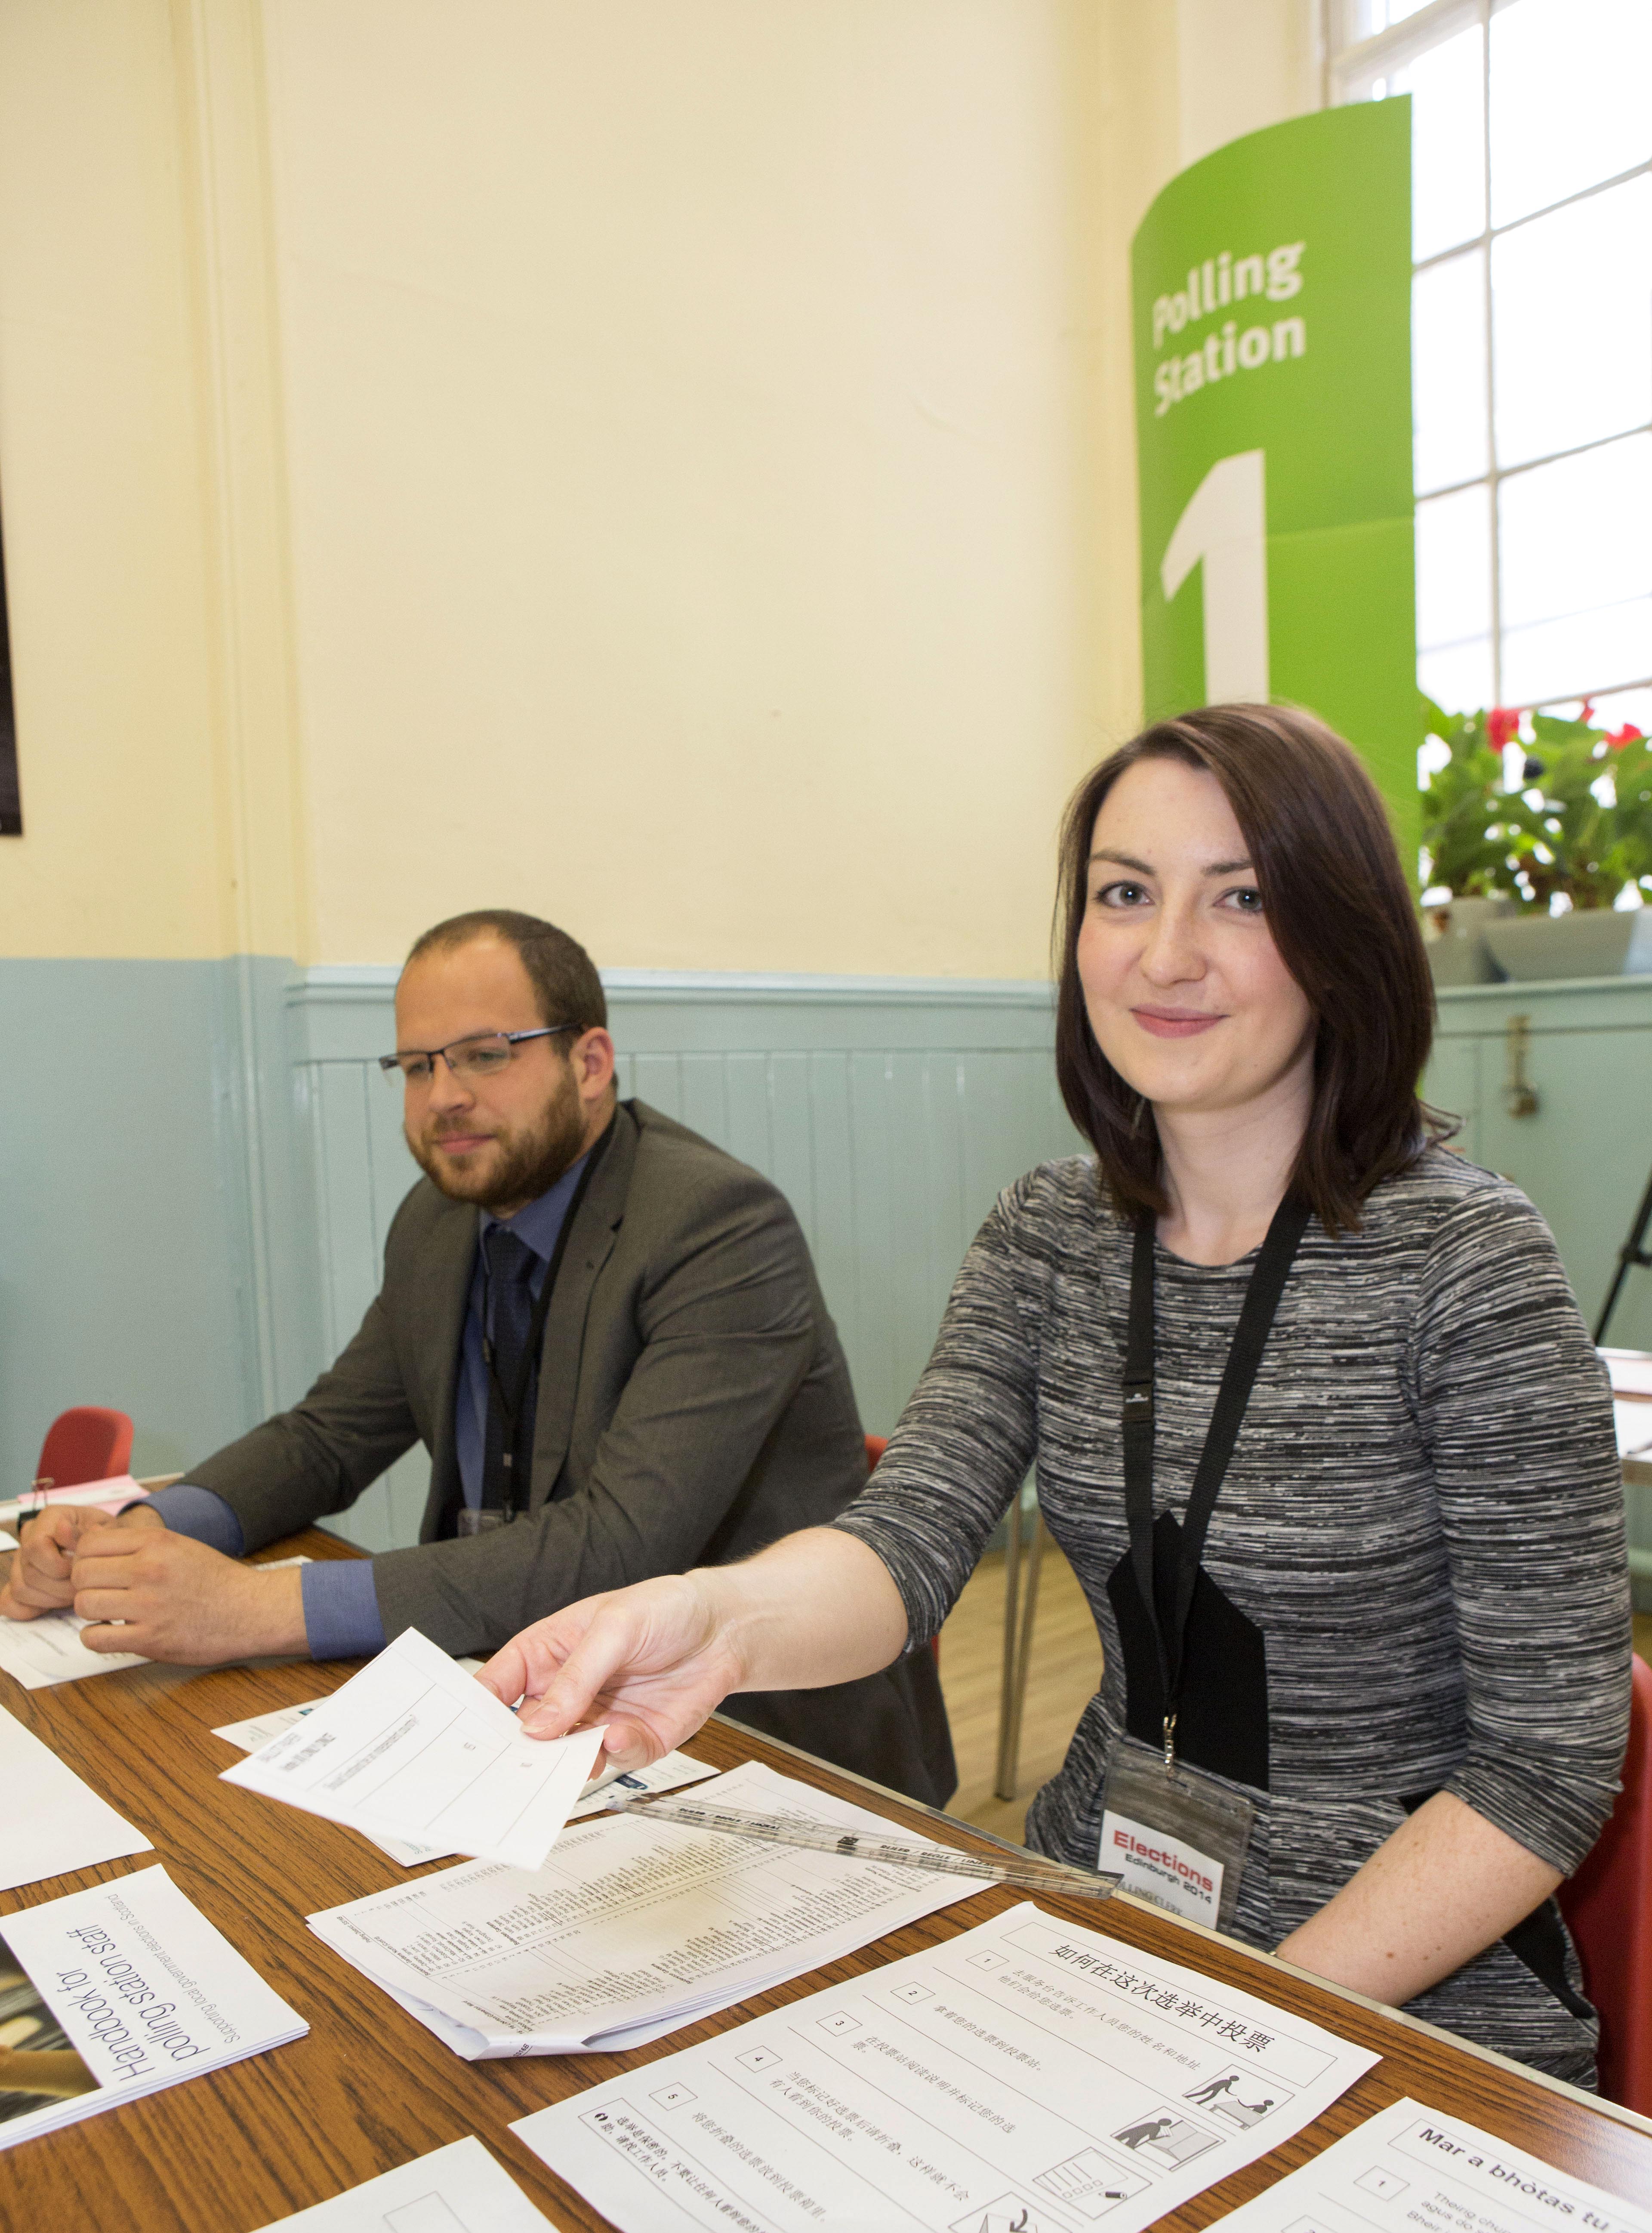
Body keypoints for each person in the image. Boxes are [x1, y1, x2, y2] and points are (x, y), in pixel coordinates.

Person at [470, 707, 1631, 2085]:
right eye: (1124, 894)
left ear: (1344, 935)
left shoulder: (1466, 1265)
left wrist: (1254, 2015)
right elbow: (908, 1540)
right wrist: (715, 1618)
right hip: (1099, 1930)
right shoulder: (1050, 1235)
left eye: (1242, 898)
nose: (1165, 955)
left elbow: (1548, 1763)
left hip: (1391, 2000)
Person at [0, 909, 955, 1804]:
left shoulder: (717, 1226)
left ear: (590, 1062)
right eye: (417, 1066)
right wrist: (147, 1533)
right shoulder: (439, 1219)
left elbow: (617, 1546)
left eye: (485, 1056)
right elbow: (329, 1436)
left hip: (738, 1738)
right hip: (503, 1694)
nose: (444, 1097)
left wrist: (255, 1609)